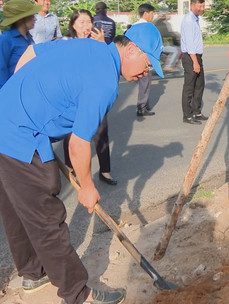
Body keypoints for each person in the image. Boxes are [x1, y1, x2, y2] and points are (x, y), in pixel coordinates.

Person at [0, 22, 163, 304]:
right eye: (147, 64)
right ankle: (78, 294)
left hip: (4, 115)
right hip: (21, 136)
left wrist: (23, 97)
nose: (146, 72)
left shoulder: (88, 46)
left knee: (18, 208)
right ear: (133, 49)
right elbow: (78, 144)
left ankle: (33, 273)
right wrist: (87, 187)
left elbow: (30, 55)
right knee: (47, 217)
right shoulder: (104, 83)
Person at [62, 9, 117, 186]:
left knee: (101, 131)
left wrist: (102, 44)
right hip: (72, 95)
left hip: (94, 94)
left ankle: (105, 171)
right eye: (82, 22)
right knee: (70, 133)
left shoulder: (97, 42)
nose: (86, 26)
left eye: (89, 22)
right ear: (73, 25)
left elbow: (109, 63)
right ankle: (70, 168)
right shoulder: (66, 43)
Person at [0, 0, 40, 89]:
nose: (35, 18)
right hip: (13, 90)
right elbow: (1, 69)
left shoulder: (29, 37)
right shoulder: (6, 39)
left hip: (28, 87)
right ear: (21, 20)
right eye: (31, 16)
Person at [181, 0, 207, 125]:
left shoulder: (195, 19)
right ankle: (187, 115)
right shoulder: (188, 21)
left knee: (200, 85)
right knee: (189, 87)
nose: (202, 8)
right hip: (190, 57)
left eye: (203, 6)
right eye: (200, 6)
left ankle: (196, 111)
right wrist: (195, 62)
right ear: (192, 5)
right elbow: (190, 44)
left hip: (196, 56)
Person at [132, 3, 157, 117]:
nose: (153, 15)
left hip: (137, 58)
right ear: (146, 13)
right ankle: (141, 107)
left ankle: (144, 105)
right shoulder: (146, 27)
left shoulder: (135, 26)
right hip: (144, 59)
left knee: (144, 83)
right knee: (145, 83)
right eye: (152, 13)